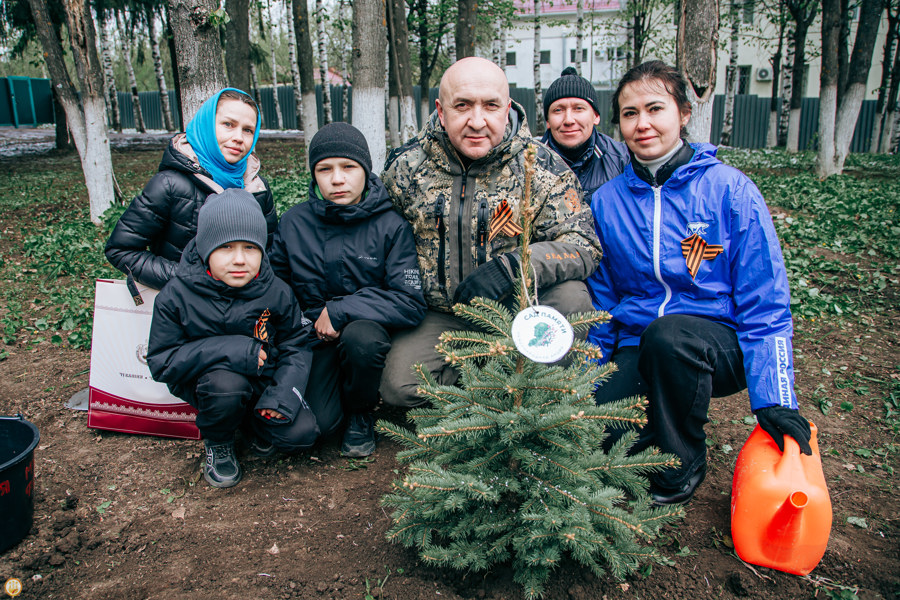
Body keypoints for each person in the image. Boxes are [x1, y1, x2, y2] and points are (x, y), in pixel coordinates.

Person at [586, 60, 812, 506]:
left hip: (716, 345)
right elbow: (604, 299)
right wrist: (588, 379)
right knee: (595, 437)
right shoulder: (607, 202)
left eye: (655, 109)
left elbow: (765, 301)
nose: (642, 124)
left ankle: (681, 464)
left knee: (670, 336)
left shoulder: (730, 190)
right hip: (639, 343)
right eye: (630, 114)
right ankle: (648, 427)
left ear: (683, 114)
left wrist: (775, 397)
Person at [380, 56, 602, 408]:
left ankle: (526, 391)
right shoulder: (406, 167)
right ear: (441, 111)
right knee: (399, 387)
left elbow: (583, 245)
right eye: (462, 106)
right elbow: (378, 235)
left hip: (519, 310)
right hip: (442, 314)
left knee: (573, 299)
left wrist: (514, 268)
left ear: (507, 108)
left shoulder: (541, 166)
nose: (477, 121)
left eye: (490, 106)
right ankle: (496, 389)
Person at [269, 123, 426, 457]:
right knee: (318, 428)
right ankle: (334, 399)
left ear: (365, 172)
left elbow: (410, 303)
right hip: (312, 339)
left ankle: (360, 413)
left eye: (348, 167)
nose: (337, 179)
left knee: (362, 340)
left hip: (364, 337)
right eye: (325, 169)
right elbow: (276, 288)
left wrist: (341, 310)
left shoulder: (391, 226)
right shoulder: (293, 223)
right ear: (313, 175)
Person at [147, 190, 315, 488]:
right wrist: (232, 349)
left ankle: (250, 423)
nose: (239, 260)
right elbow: (163, 362)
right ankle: (219, 439)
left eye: (250, 248)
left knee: (301, 434)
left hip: (263, 376)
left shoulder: (276, 290)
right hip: (210, 384)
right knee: (226, 386)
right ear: (204, 248)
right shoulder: (176, 295)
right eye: (226, 247)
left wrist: (281, 397)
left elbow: (296, 344)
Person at [105, 88, 276, 291]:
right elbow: (121, 250)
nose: (239, 137)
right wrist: (189, 278)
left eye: (247, 129)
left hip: (240, 312)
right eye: (228, 125)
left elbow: (269, 253)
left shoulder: (258, 189)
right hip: (183, 310)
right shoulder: (169, 184)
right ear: (206, 126)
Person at [541, 67, 630, 200]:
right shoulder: (528, 163)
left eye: (578, 108)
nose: (569, 120)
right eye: (558, 110)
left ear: (596, 116)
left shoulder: (622, 159)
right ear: (548, 121)